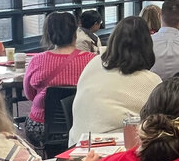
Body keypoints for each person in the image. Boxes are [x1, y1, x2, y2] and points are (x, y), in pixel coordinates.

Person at [68, 16, 161, 146]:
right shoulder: (152, 81)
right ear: (147, 46)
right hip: (118, 149)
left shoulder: (93, 64)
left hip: (78, 144)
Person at [23, 12, 96, 149]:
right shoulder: (91, 60)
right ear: (75, 32)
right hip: (80, 123)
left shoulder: (37, 60)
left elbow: (29, 95)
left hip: (41, 125)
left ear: (48, 34)